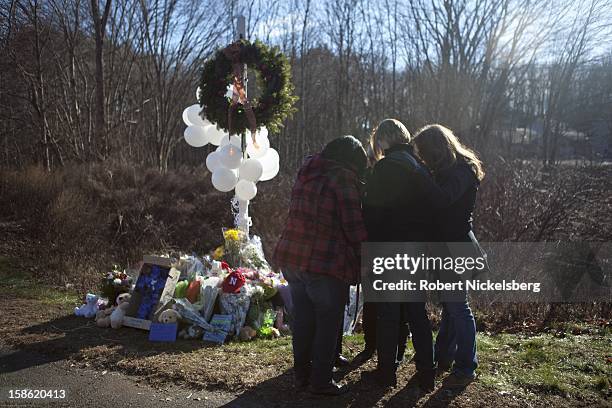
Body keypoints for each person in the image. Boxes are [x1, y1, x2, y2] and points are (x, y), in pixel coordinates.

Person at [273, 135, 368, 396]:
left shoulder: (307, 171)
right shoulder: (343, 178)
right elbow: (353, 226)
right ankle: (322, 381)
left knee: (303, 321)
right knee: (328, 321)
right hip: (323, 262)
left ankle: (301, 376)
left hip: (293, 257)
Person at [361, 119, 437, 390]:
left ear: (382, 140)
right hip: (417, 248)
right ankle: (427, 372)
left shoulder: (384, 168)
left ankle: (386, 373)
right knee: (417, 310)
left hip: (390, 247)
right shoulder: (421, 169)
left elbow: (373, 213)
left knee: (389, 312)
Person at [412, 124, 484, 387]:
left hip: (458, 247)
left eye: (424, 153)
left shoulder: (462, 170)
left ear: (436, 148)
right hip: (449, 247)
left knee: (457, 308)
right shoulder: (447, 170)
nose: (423, 159)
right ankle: (443, 356)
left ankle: (466, 368)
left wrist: (422, 176)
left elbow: (443, 200)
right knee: (452, 307)